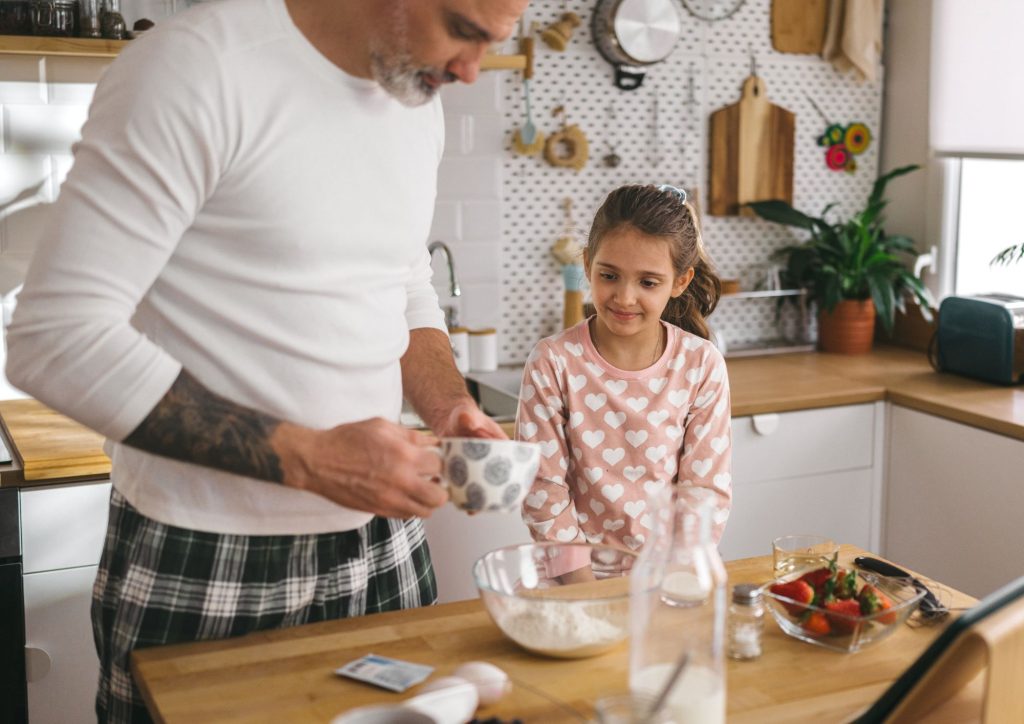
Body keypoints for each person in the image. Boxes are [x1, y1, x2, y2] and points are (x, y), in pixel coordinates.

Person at [5, 0, 528, 721]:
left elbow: (402, 283)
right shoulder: (195, 68)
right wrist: (310, 457)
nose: (473, 70)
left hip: (382, 544)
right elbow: (53, 337)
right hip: (210, 548)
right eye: (465, 30)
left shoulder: (416, 94)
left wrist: (446, 405)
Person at [517, 184, 732, 571]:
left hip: (671, 574)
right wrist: (587, 594)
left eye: (648, 282)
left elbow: (704, 494)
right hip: (572, 576)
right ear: (587, 264)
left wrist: (666, 583)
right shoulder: (553, 361)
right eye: (610, 275)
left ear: (680, 282)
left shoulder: (702, 365)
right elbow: (542, 490)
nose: (625, 297)